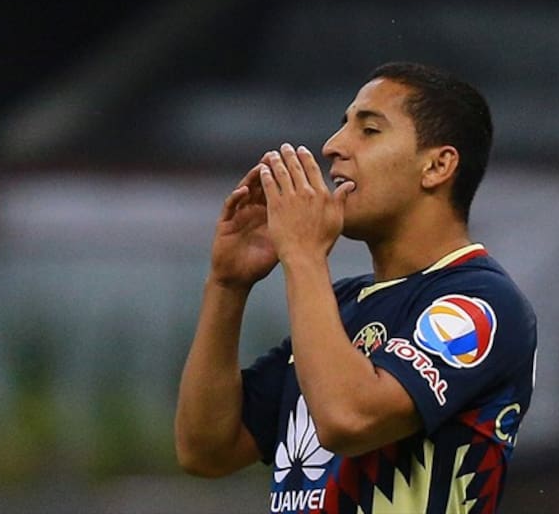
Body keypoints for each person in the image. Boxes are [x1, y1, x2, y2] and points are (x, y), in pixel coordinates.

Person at [175, 62, 537, 513]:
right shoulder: (342, 305)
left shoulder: (479, 304)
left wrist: (303, 255)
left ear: (437, 165)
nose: (332, 147)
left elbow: (348, 420)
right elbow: (206, 450)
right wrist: (228, 285)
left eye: (368, 130)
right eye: (342, 127)